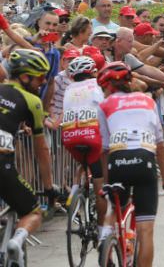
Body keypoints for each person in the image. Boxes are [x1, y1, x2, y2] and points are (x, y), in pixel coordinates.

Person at [97, 62, 164, 267]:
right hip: (144, 160)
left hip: (117, 161)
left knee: (115, 208)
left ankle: (105, 237)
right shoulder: (148, 101)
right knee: (146, 229)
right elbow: (160, 146)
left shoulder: (104, 105)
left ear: (108, 87)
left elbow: (104, 150)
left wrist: (106, 182)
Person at [0, 49, 57, 265]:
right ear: (25, 76)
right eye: (40, 77)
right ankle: (16, 242)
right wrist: (49, 188)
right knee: (33, 211)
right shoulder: (32, 101)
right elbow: (41, 149)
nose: (42, 83)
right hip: (2, 165)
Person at [60, 54, 108, 221]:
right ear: (93, 72)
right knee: (99, 178)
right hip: (92, 137)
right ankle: (103, 226)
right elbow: (104, 111)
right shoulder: (97, 85)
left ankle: (73, 193)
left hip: (69, 137)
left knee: (82, 162)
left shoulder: (68, 89)